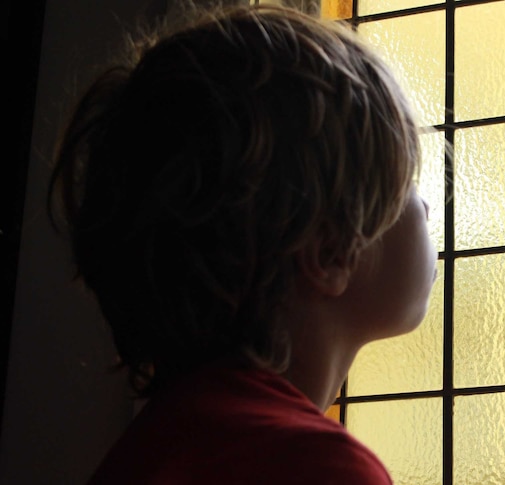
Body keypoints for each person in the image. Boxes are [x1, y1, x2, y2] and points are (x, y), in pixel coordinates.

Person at [48, 3, 437, 484]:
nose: (425, 209)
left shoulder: (149, 450)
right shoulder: (315, 465)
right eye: (408, 185)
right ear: (330, 252)